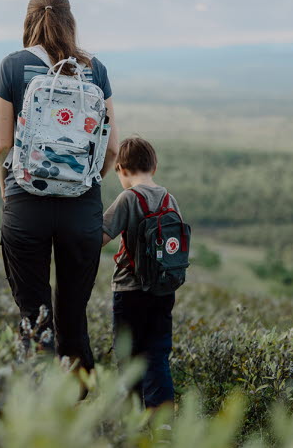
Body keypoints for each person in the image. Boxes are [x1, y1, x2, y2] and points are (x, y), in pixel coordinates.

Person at [0, 0, 120, 373]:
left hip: (26, 204)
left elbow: (0, 146)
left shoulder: (12, 66)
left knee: (34, 314)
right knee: (73, 314)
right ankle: (79, 401)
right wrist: (87, 182)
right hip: (80, 208)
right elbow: (112, 148)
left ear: (29, 21)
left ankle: (38, 400)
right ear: (70, 21)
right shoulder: (95, 69)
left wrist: (9, 191)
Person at [101, 137, 182, 409]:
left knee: (128, 358)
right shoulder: (169, 198)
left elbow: (100, 237)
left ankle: (132, 421)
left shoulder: (128, 198)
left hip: (129, 291)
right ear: (154, 167)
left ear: (122, 169)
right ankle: (162, 426)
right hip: (163, 290)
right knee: (157, 356)